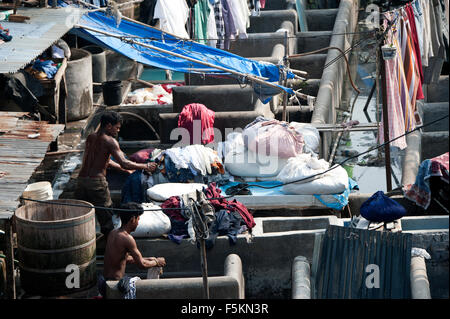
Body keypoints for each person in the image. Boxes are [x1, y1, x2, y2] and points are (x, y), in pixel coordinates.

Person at [74, 111, 157, 238]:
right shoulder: (110, 141)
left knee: (82, 215)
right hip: (97, 183)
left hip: (81, 181)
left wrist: (124, 170)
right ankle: (111, 247)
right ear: (108, 126)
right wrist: (145, 166)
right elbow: (124, 162)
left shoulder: (91, 137)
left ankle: (86, 240)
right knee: (107, 218)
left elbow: (103, 162)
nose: (118, 131)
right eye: (117, 127)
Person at [99, 202, 166, 297]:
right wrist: (157, 262)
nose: (138, 223)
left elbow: (124, 258)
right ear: (132, 219)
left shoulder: (113, 233)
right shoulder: (127, 238)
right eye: (138, 219)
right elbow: (141, 265)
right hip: (115, 285)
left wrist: (149, 259)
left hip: (104, 282)